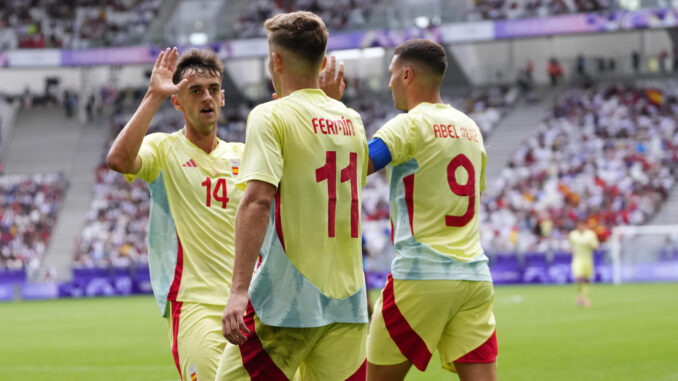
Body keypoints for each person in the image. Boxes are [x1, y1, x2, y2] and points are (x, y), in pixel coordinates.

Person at [324, 39, 497, 381]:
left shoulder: (408, 124)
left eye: (391, 74)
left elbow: (351, 166)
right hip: (475, 278)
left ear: (406, 74)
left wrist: (329, 109)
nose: (388, 83)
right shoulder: (471, 130)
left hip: (421, 277)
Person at [218, 11, 369, 380]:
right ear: (321, 62)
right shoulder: (353, 120)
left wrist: (238, 291)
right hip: (348, 302)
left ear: (276, 60)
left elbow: (257, 201)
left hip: (286, 300)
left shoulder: (270, 116)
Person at [106, 47, 243, 381]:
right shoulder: (163, 149)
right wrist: (153, 95)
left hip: (248, 305)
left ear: (223, 98)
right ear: (177, 101)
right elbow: (119, 161)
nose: (206, 97)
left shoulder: (245, 154)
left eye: (213, 89)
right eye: (195, 91)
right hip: (194, 305)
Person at [568, 222, 600, 308]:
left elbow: (596, 246)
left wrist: (591, 244)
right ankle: (579, 296)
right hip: (577, 259)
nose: (580, 227)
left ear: (585, 226)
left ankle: (586, 298)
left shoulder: (590, 235)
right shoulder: (573, 234)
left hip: (587, 260)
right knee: (578, 277)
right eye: (579, 225)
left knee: (586, 280)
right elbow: (570, 246)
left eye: (582, 225)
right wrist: (570, 251)